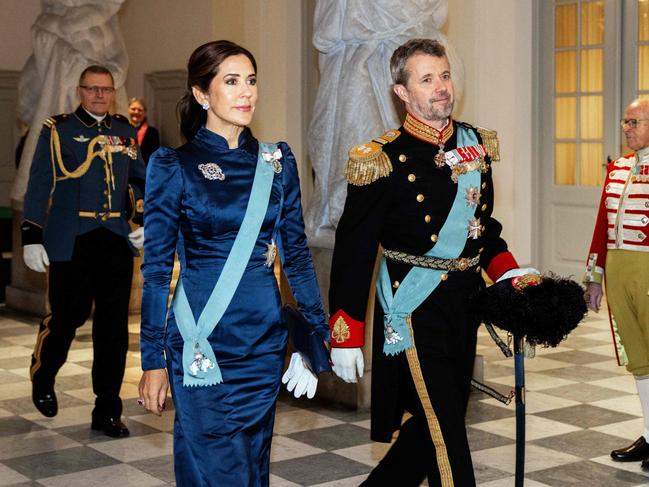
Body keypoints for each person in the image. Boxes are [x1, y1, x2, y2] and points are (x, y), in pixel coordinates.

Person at [328, 39, 532, 486]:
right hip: (413, 307)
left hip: (465, 304)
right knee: (445, 436)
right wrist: (345, 333)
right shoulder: (381, 159)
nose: (441, 88)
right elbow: (353, 252)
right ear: (401, 92)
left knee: (434, 424)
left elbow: (482, 227)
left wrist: (509, 271)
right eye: (426, 80)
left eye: (444, 76)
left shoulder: (474, 144)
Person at [138, 40, 328, 486]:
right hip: (202, 344)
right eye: (231, 81)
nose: (247, 92)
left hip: (262, 345)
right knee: (228, 473)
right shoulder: (174, 165)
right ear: (202, 94)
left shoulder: (277, 163)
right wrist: (152, 360)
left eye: (252, 80)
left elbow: (296, 254)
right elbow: (156, 271)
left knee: (250, 466)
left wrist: (313, 336)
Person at [22, 65, 146, 438]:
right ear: (80, 91)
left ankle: (107, 409)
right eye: (92, 89)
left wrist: (142, 219)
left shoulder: (125, 132)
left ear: (113, 92)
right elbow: (40, 181)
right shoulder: (57, 129)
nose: (99, 96)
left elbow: (139, 179)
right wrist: (31, 234)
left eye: (105, 90)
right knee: (67, 317)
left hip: (114, 238)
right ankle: (43, 372)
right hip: (72, 237)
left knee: (113, 329)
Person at [585, 98, 649, 470]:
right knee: (639, 359)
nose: (627, 127)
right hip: (618, 271)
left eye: (634, 121)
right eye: (625, 121)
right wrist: (594, 278)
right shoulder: (618, 168)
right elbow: (600, 226)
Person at [128, 97, 160, 164]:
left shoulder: (152, 132)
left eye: (140, 110)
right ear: (128, 110)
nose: (136, 112)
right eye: (133, 109)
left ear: (145, 113)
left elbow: (154, 157)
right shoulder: (121, 129)